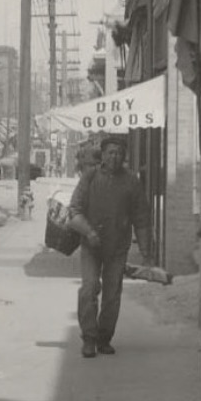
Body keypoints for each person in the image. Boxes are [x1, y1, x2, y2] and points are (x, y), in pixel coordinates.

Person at [67, 133, 154, 358]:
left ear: (124, 156)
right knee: (89, 289)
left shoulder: (131, 182)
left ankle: (104, 338)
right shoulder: (90, 178)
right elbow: (74, 211)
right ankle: (89, 338)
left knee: (112, 294)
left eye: (118, 153)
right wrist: (89, 232)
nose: (114, 157)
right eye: (110, 153)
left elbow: (141, 219)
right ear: (103, 156)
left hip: (117, 247)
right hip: (91, 246)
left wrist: (146, 253)